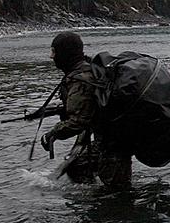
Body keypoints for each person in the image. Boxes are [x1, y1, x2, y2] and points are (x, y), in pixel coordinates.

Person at [40, 31, 132, 189]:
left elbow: (79, 121)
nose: (51, 56)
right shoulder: (89, 69)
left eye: (53, 51)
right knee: (78, 166)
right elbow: (91, 109)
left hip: (113, 145)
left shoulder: (80, 80)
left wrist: (52, 133)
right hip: (113, 139)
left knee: (117, 194)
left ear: (63, 53)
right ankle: (92, 198)